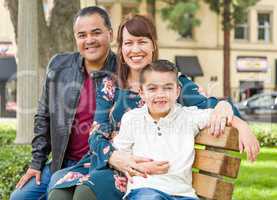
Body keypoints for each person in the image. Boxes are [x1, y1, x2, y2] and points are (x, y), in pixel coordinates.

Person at [47, 14, 259, 200]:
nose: (135, 49)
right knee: (59, 192)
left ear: (153, 46)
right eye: (128, 43)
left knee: (85, 193)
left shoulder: (171, 82)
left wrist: (237, 119)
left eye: (142, 42)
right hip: (109, 160)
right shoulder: (110, 85)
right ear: (121, 50)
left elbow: (211, 105)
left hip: (143, 173)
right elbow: (96, 134)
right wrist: (116, 157)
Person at [113, 60, 259, 200]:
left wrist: (242, 126)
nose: (160, 94)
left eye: (168, 88)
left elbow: (219, 115)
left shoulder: (189, 116)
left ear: (177, 91)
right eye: (152, 88)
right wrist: (138, 167)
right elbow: (121, 154)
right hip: (145, 190)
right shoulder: (132, 119)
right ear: (142, 93)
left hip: (184, 194)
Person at [10, 6, 115, 200]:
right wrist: (36, 163)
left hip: (101, 166)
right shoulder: (59, 65)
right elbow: (43, 116)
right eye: (82, 35)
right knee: (20, 197)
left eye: (96, 32)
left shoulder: (123, 71)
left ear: (110, 34)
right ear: (76, 38)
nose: (89, 40)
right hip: (62, 162)